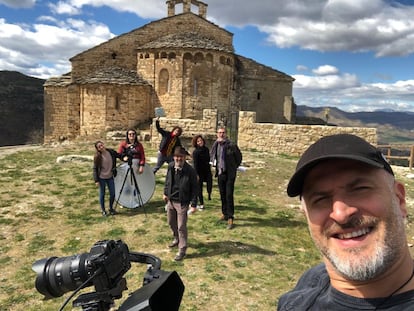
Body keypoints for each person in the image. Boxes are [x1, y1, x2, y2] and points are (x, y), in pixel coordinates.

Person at [278, 133, 414, 310]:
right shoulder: (309, 284)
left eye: (359, 189)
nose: (341, 214)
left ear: (399, 199)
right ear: (307, 217)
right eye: (320, 199)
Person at [163, 146, 198, 261]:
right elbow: (168, 181)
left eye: (181, 157)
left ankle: (182, 250)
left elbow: (194, 188)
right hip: (171, 200)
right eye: (177, 156)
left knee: (181, 226)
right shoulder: (171, 166)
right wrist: (165, 193)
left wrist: (193, 204)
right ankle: (176, 238)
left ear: (185, 158)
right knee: (170, 222)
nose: (179, 159)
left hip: (183, 202)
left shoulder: (190, 171)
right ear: (174, 157)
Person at [210, 127, 242, 229]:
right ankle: (225, 213)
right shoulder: (216, 145)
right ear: (217, 134)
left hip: (230, 174)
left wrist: (233, 167)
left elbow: (239, 158)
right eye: (219, 133)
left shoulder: (231, 145)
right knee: (222, 194)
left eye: (223, 133)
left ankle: (230, 217)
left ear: (226, 134)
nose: (221, 135)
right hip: (220, 173)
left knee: (229, 195)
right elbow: (213, 157)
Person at [93, 141, 120, 216]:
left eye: (102, 145)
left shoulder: (110, 152)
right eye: (99, 147)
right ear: (97, 149)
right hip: (102, 178)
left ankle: (111, 209)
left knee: (113, 193)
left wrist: (124, 157)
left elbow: (118, 155)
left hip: (110, 176)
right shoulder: (97, 156)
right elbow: (95, 168)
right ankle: (103, 210)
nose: (101, 147)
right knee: (102, 194)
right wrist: (96, 180)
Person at [188, 134, 212, 215]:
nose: (200, 142)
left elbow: (208, 159)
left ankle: (209, 196)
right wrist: (196, 174)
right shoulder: (195, 152)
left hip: (207, 170)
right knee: (199, 188)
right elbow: (195, 164)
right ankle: (201, 203)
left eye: (201, 140)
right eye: (198, 141)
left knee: (209, 184)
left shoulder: (206, 149)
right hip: (199, 171)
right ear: (196, 143)